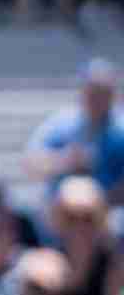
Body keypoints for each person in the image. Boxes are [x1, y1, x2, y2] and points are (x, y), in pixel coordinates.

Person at [24, 59, 124, 205]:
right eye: (92, 92)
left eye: (103, 92)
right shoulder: (61, 124)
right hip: (61, 213)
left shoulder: (120, 129)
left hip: (110, 213)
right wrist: (64, 161)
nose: (97, 98)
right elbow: (31, 163)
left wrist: (97, 203)